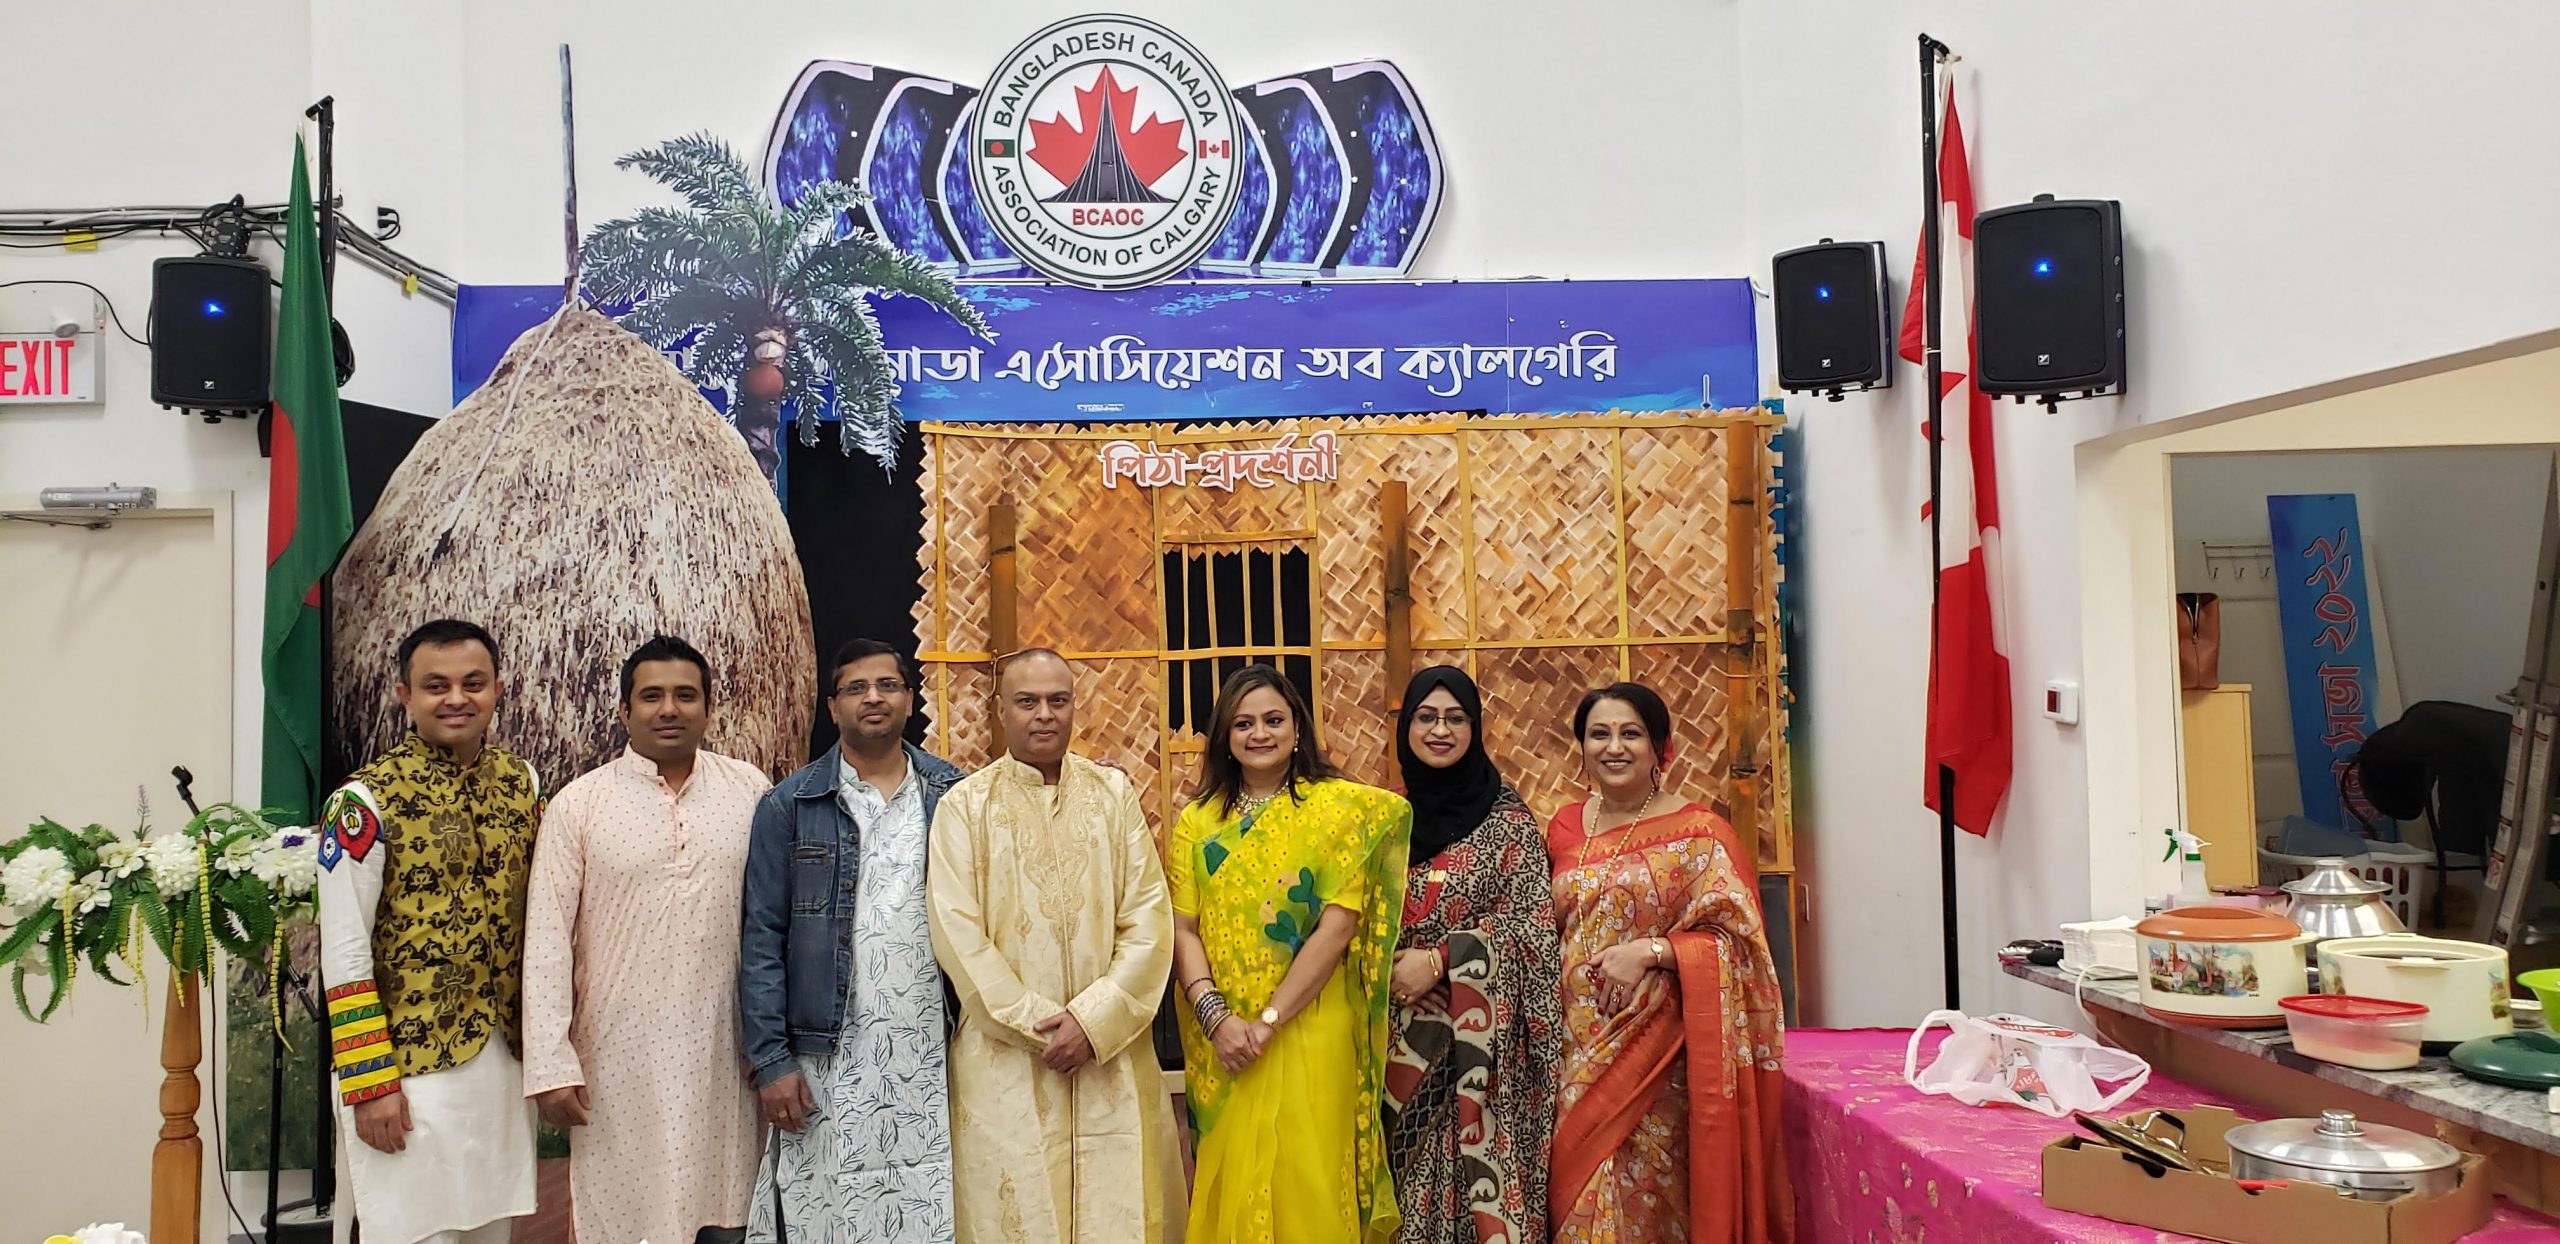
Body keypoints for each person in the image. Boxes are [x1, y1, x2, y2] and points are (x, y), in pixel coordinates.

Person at [926, 648, 1187, 1241]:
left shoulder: (1112, 795)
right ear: (1000, 710)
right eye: (1027, 701)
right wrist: (1043, 1026)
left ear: (1074, 707)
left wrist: (1093, 1024)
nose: (1044, 714)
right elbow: (957, 933)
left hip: (1110, 1058)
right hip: (1006, 1063)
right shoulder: (964, 807)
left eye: (1057, 700)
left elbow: (1149, 920)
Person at [520, 636, 767, 1244]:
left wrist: (772, 1044)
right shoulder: (580, 805)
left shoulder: (750, 791)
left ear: (709, 708)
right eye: (651, 696)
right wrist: (550, 1064)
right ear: (624, 710)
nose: (669, 709)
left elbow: (773, 923)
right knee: (624, 1216)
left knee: (728, 1214)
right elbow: (547, 940)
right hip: (616, 1059)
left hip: (724, 1052)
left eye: (686, 695)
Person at [318, 619, 542, 1244]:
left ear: (498, 689)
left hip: (501, 1066)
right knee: (412, 1230)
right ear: (405, 695)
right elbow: (343, 950)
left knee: (491, 1230)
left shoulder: (521, 784)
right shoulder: (363, 802)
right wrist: (370, 1082)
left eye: (473, 683)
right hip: (407, 1071)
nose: (456, 699)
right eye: (436, 685)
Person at [1169, 664, 1411, 1243]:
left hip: (1311, 1024)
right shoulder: (1198, 821)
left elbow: (1338, 926)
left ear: (1298, 728)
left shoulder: (1337, 811)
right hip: (1226, 1038)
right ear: (1224, 736)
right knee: (1232, 1182)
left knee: (1308, 1182)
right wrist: (1218, 1021)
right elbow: (1182, 929)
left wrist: (1269, 1021)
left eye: (1273, 720)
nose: (1260, 733)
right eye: (1243, 723)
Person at [1546, 683, 1792, 1243]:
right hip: (1572, 1049)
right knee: (1575, 1199)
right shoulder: (1563, 828)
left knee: (1651, 1209)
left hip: (1662, 1062)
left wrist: (1652, 953)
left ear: (1660, 747)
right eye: (1599, 734)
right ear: (1581, 747)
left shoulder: (1702, 834)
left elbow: (1744, 946)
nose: (1614, 747)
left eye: (1630, 734)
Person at [739, 638, 965, 1243]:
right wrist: (772, 1060)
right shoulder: (790, 805)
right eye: (856, 688)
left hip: (934, 1049)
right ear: (832, 706)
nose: (873, 698)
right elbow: (762, 939)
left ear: (910, 699)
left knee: (934, 1202)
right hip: (827, 1053)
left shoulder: (953, 796)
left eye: (888, 685)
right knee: (828, 1207)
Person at [1382, 666, 1563, 1243]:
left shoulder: (1508, 824)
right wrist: (1388, 973)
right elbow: (1349, 924)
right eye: (1426, 717)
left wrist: (1441, 960)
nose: (1440, 730)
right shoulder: (1384, 820)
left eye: (1455, 718)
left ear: (1475, 728)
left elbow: (1533, 930)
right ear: (1406, 727)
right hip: (1390, 1047)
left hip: (1478, 1060)